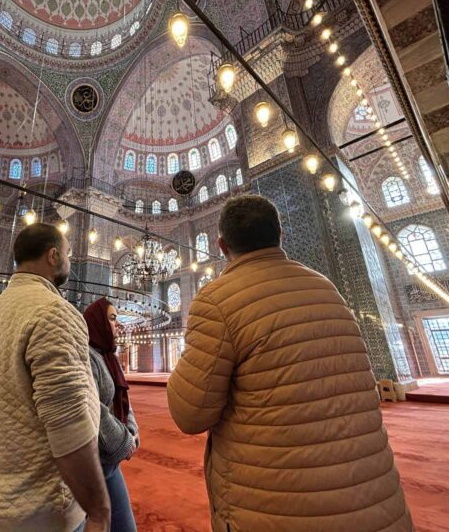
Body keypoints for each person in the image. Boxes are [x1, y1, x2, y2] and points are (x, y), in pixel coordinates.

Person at [167, 195, 413, 532]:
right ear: (279, 234)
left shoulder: (218, 300)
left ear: (221, 245)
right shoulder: (326, 288)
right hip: (372, 495)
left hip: (279, 502)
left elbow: (190, 414)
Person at [0, 223, 109, 532]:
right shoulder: (53, 311)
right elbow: (68, 423)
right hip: (36, 509)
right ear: (53, 256)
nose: (69, 260)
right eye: (67, 253)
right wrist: (98, 509)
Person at [82, 298, 138, 532]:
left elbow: (123, 399)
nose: (118, 325)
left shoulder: (109, 357)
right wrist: (125, 442)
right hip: (90, 466)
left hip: (109, 465)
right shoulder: (86, 357)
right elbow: (96, 411)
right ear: (97, 322)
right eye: (112, 319)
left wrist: (133, 431)